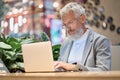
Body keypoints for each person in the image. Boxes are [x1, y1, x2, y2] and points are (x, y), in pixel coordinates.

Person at [54, 2, 111, 71]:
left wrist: (75, 67)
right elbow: (61, 68)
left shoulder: (100, 41)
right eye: (65, 25)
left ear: (82, 19)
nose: (68, 28)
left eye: (71, 22)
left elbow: (104, 70)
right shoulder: (66, 42)